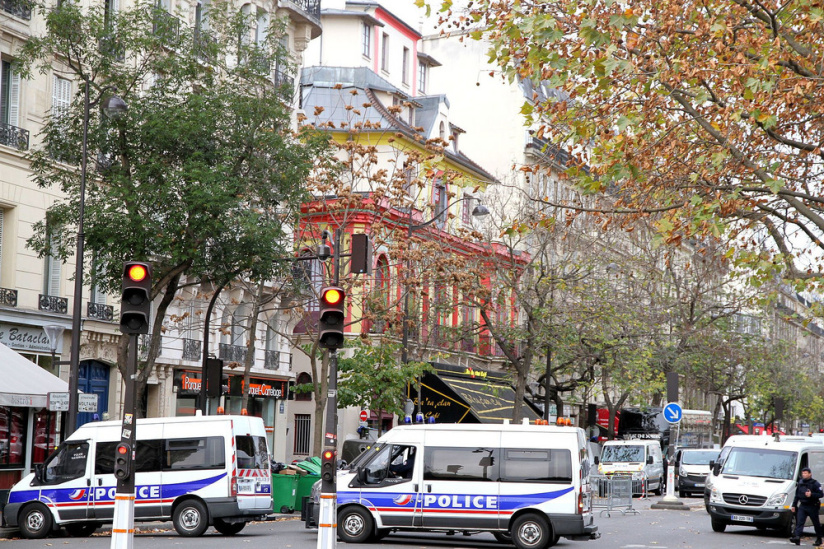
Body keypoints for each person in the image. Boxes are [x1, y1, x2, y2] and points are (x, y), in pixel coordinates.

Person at [791, 467, 823, 545]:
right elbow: (797, 495)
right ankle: (797, 537)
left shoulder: (815, 483)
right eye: (803, 473)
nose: (804, 475)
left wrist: (811, 494)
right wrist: (794, 505)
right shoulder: (801, 482)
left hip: (812, 506)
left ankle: (819, 539)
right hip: (803, 505)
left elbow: (821, 494)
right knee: (800, 522)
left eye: (805, 473)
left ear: (810, 474)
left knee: (816, 523)